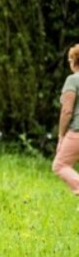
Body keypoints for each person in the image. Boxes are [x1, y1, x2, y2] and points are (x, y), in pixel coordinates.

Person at [53, 44, 79, 195]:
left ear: (73, 61)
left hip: (77, 131)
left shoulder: (73, 80)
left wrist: (61, 135)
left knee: (60, 165)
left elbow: (67, 110)